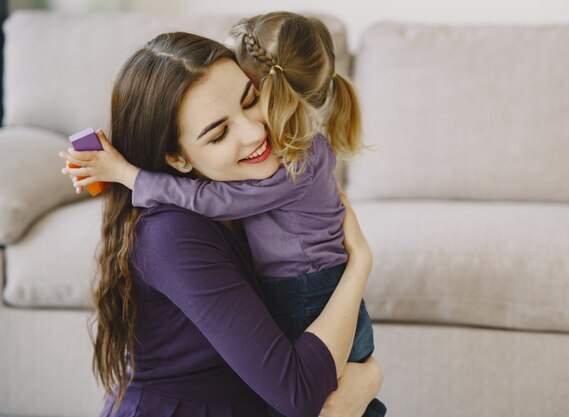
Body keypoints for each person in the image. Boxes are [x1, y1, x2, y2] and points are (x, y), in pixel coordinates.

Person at [63, 12, 386, 417]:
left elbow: (338, 380)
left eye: (250, 101)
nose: (254, 133)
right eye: (218, 134)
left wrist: (370, 377)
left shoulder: (252, 189)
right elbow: (302, 393)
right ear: (177, 159)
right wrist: (360, 265)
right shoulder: (173, 234)